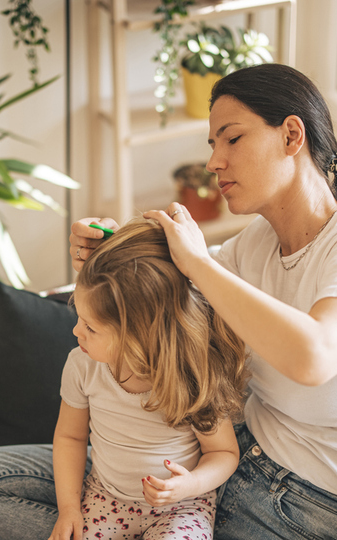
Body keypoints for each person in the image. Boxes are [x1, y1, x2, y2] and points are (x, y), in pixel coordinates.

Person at [0, 63, 337, 540]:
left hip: (298, 503)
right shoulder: (257, 242)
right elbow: (166, 291)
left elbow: (314, 356)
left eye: (231, 139)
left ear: (291, 135)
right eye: (212, 145)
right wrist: (110, 250)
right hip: (214, 457)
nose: (215, 161)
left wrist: (200, 264)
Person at [50, 219, 248, 540]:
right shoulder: (81, 365)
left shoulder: (190, 375)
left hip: (180, 507)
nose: (76, 332)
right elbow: (70, 438)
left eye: (91, 327)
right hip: (105, 496)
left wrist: (189, 484)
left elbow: (223, 453)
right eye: (79, 319)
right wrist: (69, 509)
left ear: (138, 337)